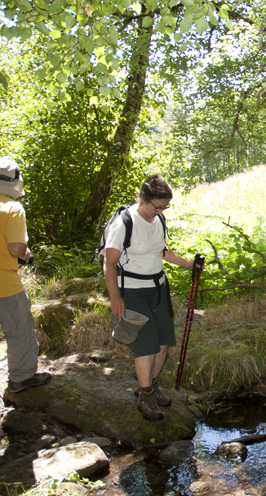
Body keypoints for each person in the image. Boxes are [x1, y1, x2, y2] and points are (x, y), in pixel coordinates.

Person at [103, 175, 198, 421]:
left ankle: (152, 386)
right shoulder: (125, 222)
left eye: (164, 207)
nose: (160, 211)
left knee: (164, 341)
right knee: (145, 345)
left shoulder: (158, 219)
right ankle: (145, 396)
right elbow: (109, 262)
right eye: (157, 206)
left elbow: (161, 249)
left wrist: (188, 264)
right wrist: (115, 297)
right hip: (132, 291)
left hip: (158, 288)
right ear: (144, 199)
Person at [0, 157, 52, 394]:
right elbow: (17, 249)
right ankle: (21, 378)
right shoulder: (12, 208)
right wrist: (27, 254)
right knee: (19, 330)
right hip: (5, 285)